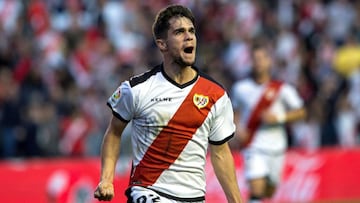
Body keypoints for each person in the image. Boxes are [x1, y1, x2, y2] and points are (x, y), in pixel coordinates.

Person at [94, 4, 243, 203]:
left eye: (191, 31)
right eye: (180, 32)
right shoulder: (137, 89)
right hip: (148, 192)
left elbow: (221, 153)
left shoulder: (215, 95)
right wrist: (106, 180)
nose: (189, 37)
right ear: (162, 44)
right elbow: (114, 132)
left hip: (193, 198)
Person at [230, 42, 306, 203]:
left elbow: (301, 112)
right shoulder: (240, 88)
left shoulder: (282, 89)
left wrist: (278, 118)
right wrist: (236, 128)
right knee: (256, 189)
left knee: (268, 191)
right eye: (255, 59)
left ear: (269, 61)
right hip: (253, 146)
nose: (258, 62)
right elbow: (235, 113)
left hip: (277, 147)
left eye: (262, 58)